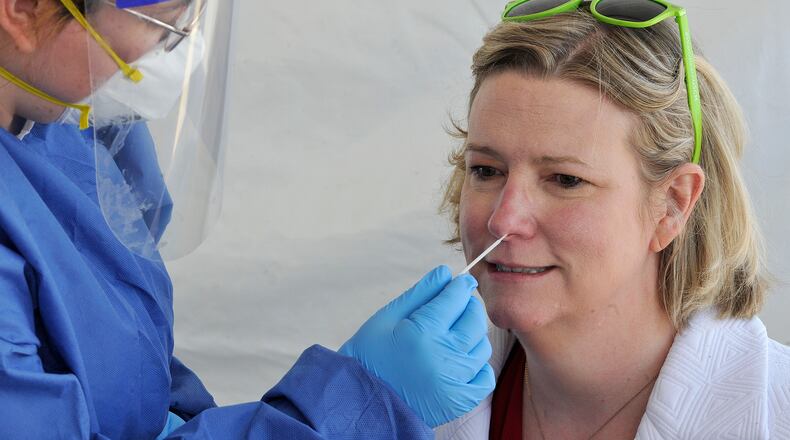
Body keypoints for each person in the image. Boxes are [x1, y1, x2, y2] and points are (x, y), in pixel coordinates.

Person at [0, 0, 495, 438]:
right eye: (160, 23)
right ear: (21, 10)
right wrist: (356, 407)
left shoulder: (53, 131)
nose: (174, 52)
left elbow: (130, 384)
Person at [434, 0, 790, 439]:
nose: (504, 220)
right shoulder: (413, 401)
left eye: (565, 180)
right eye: (486, 170)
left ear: (673, 205)